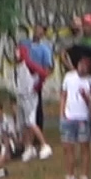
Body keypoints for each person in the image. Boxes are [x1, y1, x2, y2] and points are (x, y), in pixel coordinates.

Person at [15, 27, 56, 161]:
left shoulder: (29, 64)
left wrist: (38, 85)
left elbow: (44, 73)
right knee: (24, 124)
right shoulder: (19, 65)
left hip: (30, 96)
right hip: (21, 96)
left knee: (31, 122)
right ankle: (28, 148)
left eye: (18, 52)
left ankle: (45, 145)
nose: (15, 54)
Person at [62, 51, 91, 179]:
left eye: (86, 65)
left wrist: (88, 98)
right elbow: (64, 95)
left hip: (84, 117)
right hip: (69, 116)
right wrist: (62, 113)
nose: (83, 67)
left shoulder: (90, 80)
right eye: (81, 64)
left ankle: (84, 175)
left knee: (84, 147)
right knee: (68, 148)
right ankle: (70, 174)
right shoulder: (68, 77)